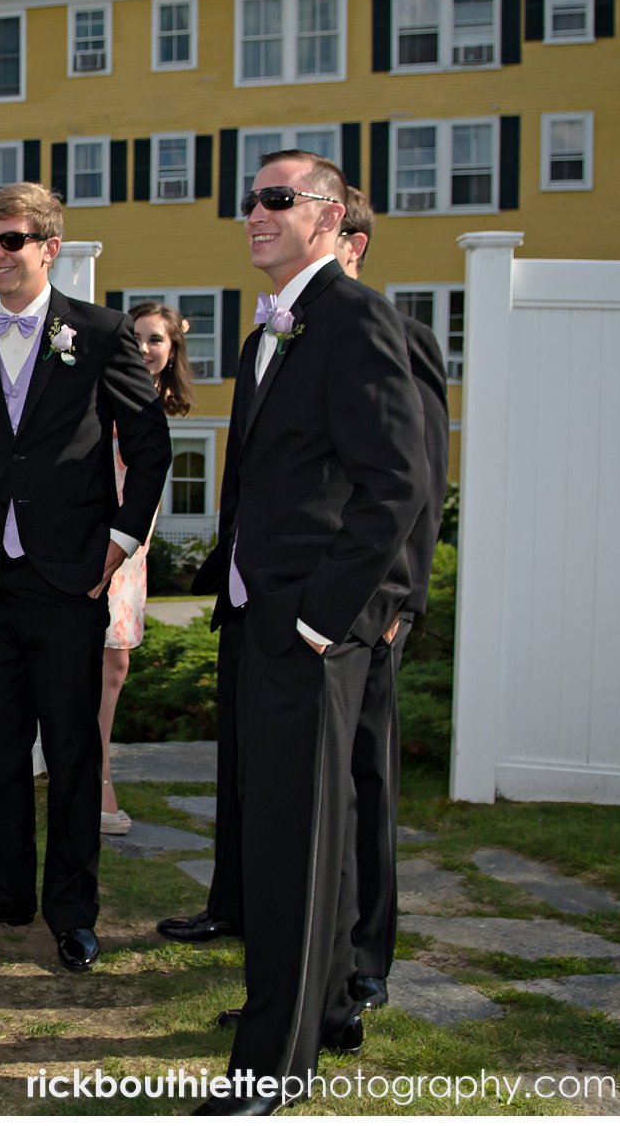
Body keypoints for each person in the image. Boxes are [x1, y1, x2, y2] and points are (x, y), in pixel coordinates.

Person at [189, 152, 422, 1114]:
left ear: (329, 217)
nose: (256, 211)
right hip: (260, 620)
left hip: (310, 631)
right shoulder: (269, 332)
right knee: (285, 835)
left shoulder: (358, 317)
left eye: (277, 199)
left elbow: (397, 483)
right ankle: (317, 1004)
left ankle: (271, 1070)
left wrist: (325, 618)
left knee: (297, 844)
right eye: (251, 198)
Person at [0, 182, 169, 974]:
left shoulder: (98, 333)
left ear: (49, 246)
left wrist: (121, 538)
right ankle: (0, 890)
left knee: (70, 751)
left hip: (71, 578)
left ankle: (71, 909)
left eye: (11, 239)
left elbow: (152, 443)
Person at [335, 189, 451, 1013]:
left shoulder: (397, 336)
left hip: (370, 603)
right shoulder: (277, 332)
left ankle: (367, 951)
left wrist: (399, 598)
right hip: (292, 606)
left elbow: (420, 479)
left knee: (366, 778)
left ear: (355, 242)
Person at [97, 302, 195, 835]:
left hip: (136, 553)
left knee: (117, 667)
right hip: (98, 542)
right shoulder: (105, 395)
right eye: (135, 337)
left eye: (156, 339)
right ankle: (98, 781)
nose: (144, 348)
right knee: (91, 667)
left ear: (172, 349)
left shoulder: (161, 407)